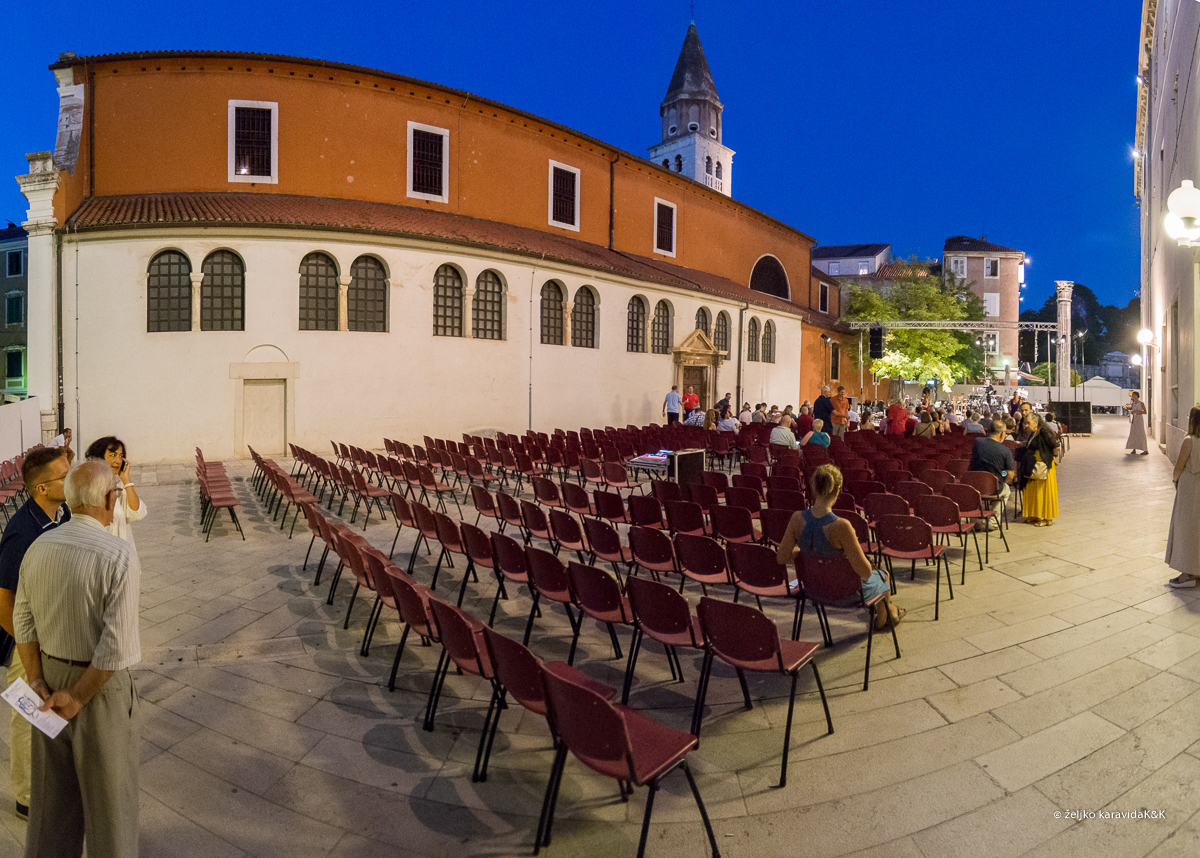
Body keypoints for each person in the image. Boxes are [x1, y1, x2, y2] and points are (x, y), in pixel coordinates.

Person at [13, 460, 142, 858]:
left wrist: (37, 681)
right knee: (110, 805)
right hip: (97, 688)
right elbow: (114, 646)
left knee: (52, 803)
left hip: (47, 678)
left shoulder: (38, 546)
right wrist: (80, 697)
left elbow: (23, 621)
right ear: (107, 498)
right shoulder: (118, 555)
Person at [0, 448, 71, 820]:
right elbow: (3, 604)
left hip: (52, 638)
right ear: (42, 489)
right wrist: (31, 655)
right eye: (64, 476)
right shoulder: (21, 534)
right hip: (25, 645)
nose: (70, 479)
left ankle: (49, 786)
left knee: (50, 716)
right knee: (27, 720)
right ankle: (26, 797)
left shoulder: (63, 513)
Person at [776, 464, 904, 631]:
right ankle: (884, 619)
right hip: (844, 593)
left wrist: (808, 554)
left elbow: (781, 557)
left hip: (812, 588)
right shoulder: (841, 526)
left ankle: (891, 612)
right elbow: (865, 572)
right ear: (837, 490)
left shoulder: (796, 518)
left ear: (813, 487)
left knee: (877, 578)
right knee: (883, 575)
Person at [85, 436, 145, 550]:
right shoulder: (85, 487)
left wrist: (126, 480)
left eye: (121, 456)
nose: (118, 461)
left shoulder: (121, 486)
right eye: (112, 455)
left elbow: (138, 514)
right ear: (98, 458)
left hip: (122, 555)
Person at [1166, 406, 1200, 587]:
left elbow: (1179, 466)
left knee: (1186, 528)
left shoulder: (1190, 441)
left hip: (1190, 487)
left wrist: (1175, 480)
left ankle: (1187, 573)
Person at [1018, 412, 1061, 526]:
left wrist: (1055, 457)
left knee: (1042, 492)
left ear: (1036, 422)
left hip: (1043, 465)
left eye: (1028, 423)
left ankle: (1045, 518)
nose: (1026, 425)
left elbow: (1055, 445)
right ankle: (1034, 515)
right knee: (1033, 491)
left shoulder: (1045, 432)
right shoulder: (1033, 432)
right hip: (1033, 465)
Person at [969, 419, 1016, 515]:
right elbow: (1010, 474)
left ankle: (974, 520)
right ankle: (993, 521)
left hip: (974, 485)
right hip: (995, 487)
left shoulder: (977, 442)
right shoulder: (1005, 450)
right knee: (1006, 490)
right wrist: (1002, 474)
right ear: (1002, 433)